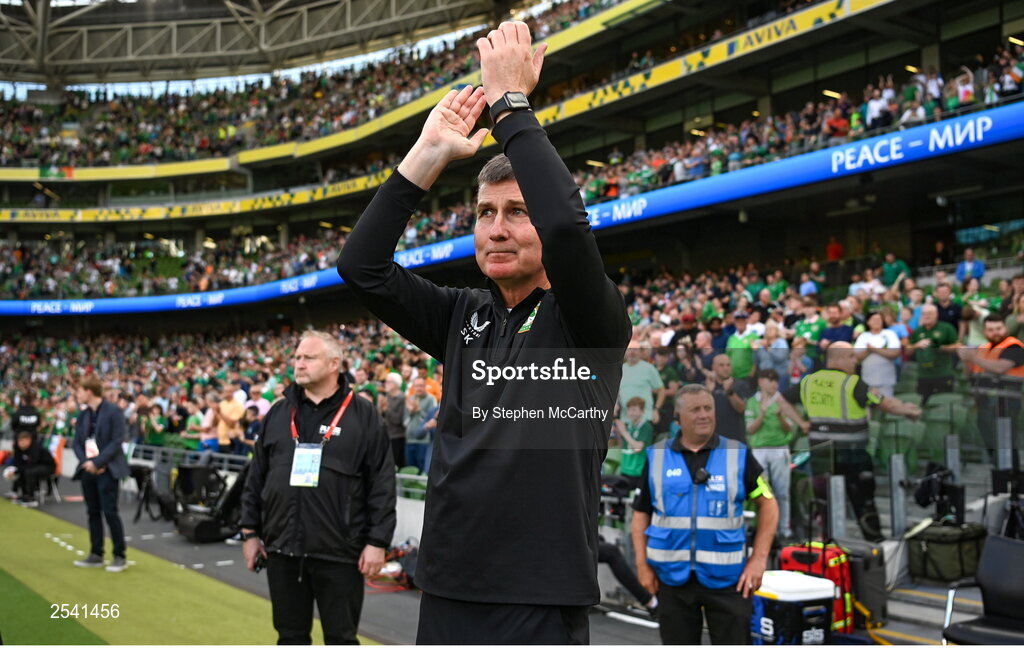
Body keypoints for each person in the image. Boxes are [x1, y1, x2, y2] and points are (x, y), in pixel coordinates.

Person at [337, 21, 630, 643]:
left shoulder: (586, 318)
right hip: (448, 583)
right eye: (486, 213)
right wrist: (429, 153)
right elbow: (361, 267)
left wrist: (511, 107)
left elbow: (573, 234)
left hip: (540, 596)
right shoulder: (458, 314)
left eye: (518, 213)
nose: (497, 228)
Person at [239, 330, 396, 645]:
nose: (299, 364)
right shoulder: (279, 413)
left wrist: (377, 542)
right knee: (290, 636)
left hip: (339, 552)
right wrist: (249, 532)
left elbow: (382, 482)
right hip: (282, 549)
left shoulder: (364, 416)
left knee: (341, 638)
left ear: (334, 363)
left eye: (308, 357)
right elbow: (256, 477)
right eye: (297, 357)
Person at [632, 384, 780, 645]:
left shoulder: (737, 454)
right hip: (671, 578)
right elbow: (641, 514)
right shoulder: (656, 457)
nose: (704, 415)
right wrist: (642, 566)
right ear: (678, 418)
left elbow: (768, 504)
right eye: (695, 410)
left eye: (708, 408)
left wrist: (759, 559)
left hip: (728, 581)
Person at [784, 342, 921, 542]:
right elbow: (884, 403)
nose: (855, 361)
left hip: (821, 453)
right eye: (851, 357)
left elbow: (781, 399)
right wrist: (910, 410)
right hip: (851, 454)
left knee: (825, 502)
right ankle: (874, 543)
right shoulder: (852, 382)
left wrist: (802, 423)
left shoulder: (809, 381)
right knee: (863, 500)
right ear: (838, 358)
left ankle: (829, 546)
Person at [72, 375, 131, 572]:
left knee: (110, 511)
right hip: (89, 469)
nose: (77, 395)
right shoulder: (84, 414)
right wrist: (87, 463)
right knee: (92, 512)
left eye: (79, 391)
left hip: (108, 469)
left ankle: (119, 555)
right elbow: (77, 442)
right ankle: (96, 553)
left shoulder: (114, 411)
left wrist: (98, 462)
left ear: (89, 391)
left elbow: (117, 441)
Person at [957, 314, 1024, 467]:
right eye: (991, 330)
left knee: (1006, 441)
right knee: (991, 442)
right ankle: (999, 474)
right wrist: (965, 359)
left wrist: (973, 358)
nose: (996, 333)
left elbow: (1000, 368)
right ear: (985, 332)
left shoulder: (1013, 346)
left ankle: (1012, 478)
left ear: (1005, 328)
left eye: (999, 328)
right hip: (984, 402)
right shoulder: (983, 348)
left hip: (1007, 402)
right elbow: (969, 373)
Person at [745, 370, 794, 539]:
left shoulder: (783, 401)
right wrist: (762, 413)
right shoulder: (752, 402)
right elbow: (750, 429)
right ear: (760, 381)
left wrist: (780, 416)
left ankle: (784, 530)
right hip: (759, 450)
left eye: (776, 380)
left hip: (780, 449)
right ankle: (762, 529)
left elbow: (790, 429)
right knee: (761, 492)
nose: (773, 384)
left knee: (782, 492)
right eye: (769, 379)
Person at [854, 311, 902, 398]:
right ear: (868, 322)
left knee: (887, 404)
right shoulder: (863, 336)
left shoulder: (890, 334)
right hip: (868, 379)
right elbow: (857, 357)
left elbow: (895, 353)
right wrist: (868, 350)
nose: (877, 321)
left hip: (886, 379)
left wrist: (875, 349)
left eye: (879, 319)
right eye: (874, 319)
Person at [5, 430, 56, 507]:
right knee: (20, 471)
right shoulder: (18, 449)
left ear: (29, 440)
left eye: (23, 441)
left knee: (29, 472)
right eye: (19, 441)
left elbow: (32, 463)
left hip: (47, 467)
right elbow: (19, 463)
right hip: (33, 467)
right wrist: (14, 471)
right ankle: (24, 495)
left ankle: (31, 498)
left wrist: (18, 470)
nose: (21, 443)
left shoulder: (36, 448)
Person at [614, 397, 655, 489]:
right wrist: (619, 434)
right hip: (625, 468)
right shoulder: (628, 426)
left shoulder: (646, 426)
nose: (631, 412)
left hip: (637, 471)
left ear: (642, 411)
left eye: (634, 410)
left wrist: (624, 432)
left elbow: (638, 448)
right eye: (629, 409)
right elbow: (622, 446)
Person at [402, 377, 437, 473]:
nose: (419, 388)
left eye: (421, 386)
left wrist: (419, 410)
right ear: (413, 387)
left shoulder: (431, 399)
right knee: (410, 470)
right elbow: (404, 422)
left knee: (423, 471)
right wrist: (411, 412)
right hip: (409, 440)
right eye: (416, 386)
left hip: (424, 441)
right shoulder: (410, 399)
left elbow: (433, 420)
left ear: (425, 386)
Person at [380, 372, 407, 468]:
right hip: (386, 435)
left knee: (396, 465)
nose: (385, 384)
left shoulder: (402, 398)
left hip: (397, 437)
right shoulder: (386, 397)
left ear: (396, 384)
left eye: (388, 382)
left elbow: (399, 420)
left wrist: (386, 410)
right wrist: (382, 410)